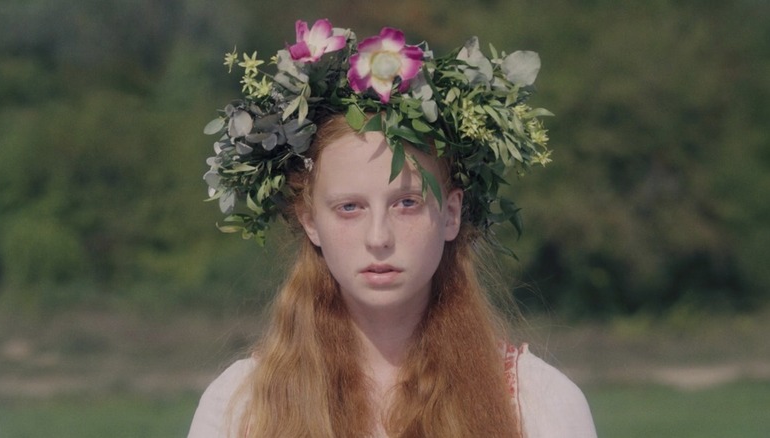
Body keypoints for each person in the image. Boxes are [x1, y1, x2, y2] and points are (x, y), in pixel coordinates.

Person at [189, 19, 597, 437]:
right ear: (310, 220)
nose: (378, 238)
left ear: (451, 214)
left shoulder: (535, 402)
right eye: (349, 207)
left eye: (407, 203)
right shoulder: (240, 405)